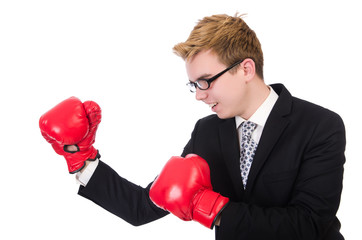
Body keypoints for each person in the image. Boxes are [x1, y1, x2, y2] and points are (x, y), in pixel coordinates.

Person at [39, 13, 346, 239]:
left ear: (246, 69)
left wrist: (215, 209)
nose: (199, 95)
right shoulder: (207, 132)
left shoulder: (320, 126)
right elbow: (142, 207)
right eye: (193, 85)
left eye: (205, 82)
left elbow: (309, 224)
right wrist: (81, 158)